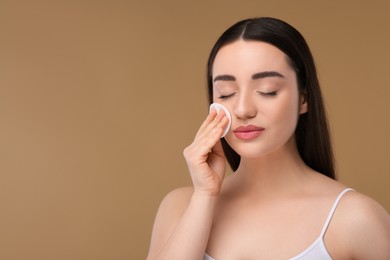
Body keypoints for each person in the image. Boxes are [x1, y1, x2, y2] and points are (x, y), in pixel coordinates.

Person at [147, 17, 390, 259]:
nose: (243, 109)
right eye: (226, 93)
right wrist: (204, 196)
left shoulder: (355, 219)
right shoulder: (180, 207)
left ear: (304, 99)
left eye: (267, 90)